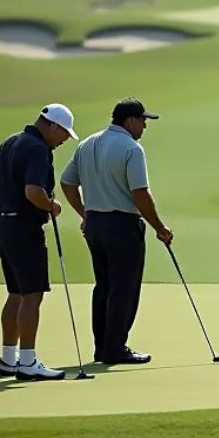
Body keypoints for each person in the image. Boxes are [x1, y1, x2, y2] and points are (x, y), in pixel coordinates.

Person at [60, 98, 173, 366]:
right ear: (130, 121)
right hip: (122, 224)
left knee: (104, 286)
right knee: (124, 287)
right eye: (143, 121)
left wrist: (84, 213)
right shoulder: (132, 148)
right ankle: (115, 347)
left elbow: (66, 182)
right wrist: (160, 227)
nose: (145, 126)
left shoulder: (87, 143)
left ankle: (103, 347)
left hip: (95, 226)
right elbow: (140, 193)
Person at [0, 103, 79, 382]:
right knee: (32, 295)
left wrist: (13, 194)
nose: (63, 141)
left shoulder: (11, 142)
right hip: (24, 229)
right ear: (52, 126)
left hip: (3, 226)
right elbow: (34, 191)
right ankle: (28, 362)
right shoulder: (38, 149)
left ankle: (8, 360)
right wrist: (51, 206)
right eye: (63, 134)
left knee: (16, 293)